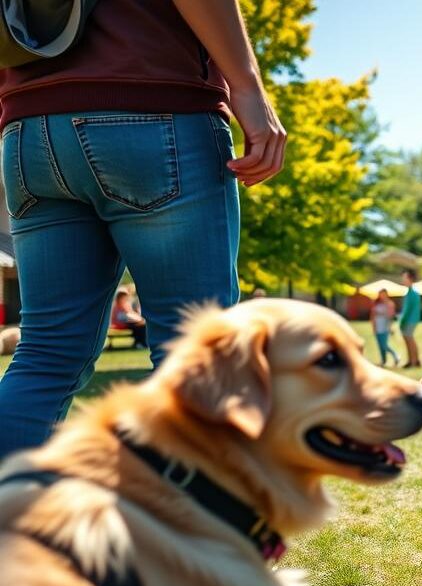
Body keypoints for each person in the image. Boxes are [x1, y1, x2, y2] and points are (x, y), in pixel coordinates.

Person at [0, 1, 285, 456]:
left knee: (46, 355)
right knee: (193, 352)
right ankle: (179, 523)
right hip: (154, 106)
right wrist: (248, 90)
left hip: (27, 131)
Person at [370, 289, 400, 366]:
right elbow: (372, 316)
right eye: (381, 294)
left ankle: (396, 356)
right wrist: (373, 327)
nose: (382, 296)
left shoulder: (390, 304)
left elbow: (391, 317)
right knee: (380, 346)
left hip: (385, 327)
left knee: (384, 345)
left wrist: (390, 327)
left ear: (386, 294)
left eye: (383, 294)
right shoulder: (376, 304)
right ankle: (383, 361)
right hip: (377, 327)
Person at [398, 269, 421, 368]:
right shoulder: (410, 292)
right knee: (409, 340)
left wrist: (401, 321)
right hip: (410, 320)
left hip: (409, 321)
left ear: (410, 279)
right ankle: (413, 360)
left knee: (409, 340)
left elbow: (407, 310)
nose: (403, 280)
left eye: (405, 278)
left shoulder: (412, 293)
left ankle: (413, 361)